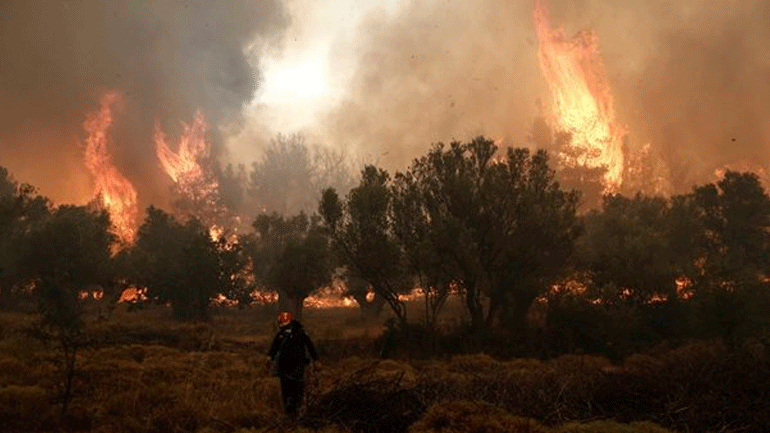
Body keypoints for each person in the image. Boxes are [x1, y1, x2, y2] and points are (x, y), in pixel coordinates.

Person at [267, 311, 319, 417]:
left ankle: (297, 410)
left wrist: (316, 360)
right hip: (284, 366)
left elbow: (310, 346)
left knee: (298, 388)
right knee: (286, 390)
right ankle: (288, 411)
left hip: (298, 365)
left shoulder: (301, 333)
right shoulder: (281, 334)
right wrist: (270, 357)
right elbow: (274, 347)